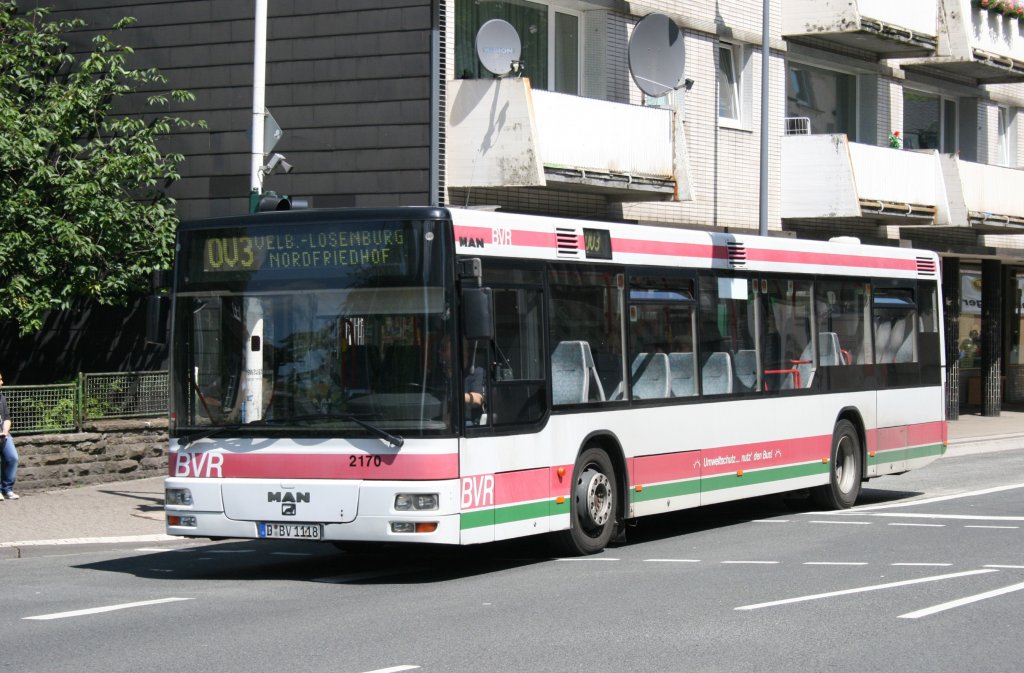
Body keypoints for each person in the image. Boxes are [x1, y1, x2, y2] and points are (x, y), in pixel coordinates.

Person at [0, 371, 19, 501]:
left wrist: (5, 431)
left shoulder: (1, 397)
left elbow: (6, 417)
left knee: (13, 458)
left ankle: (7, 489)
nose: (2, 382)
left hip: (3, 433)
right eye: (0, 379)